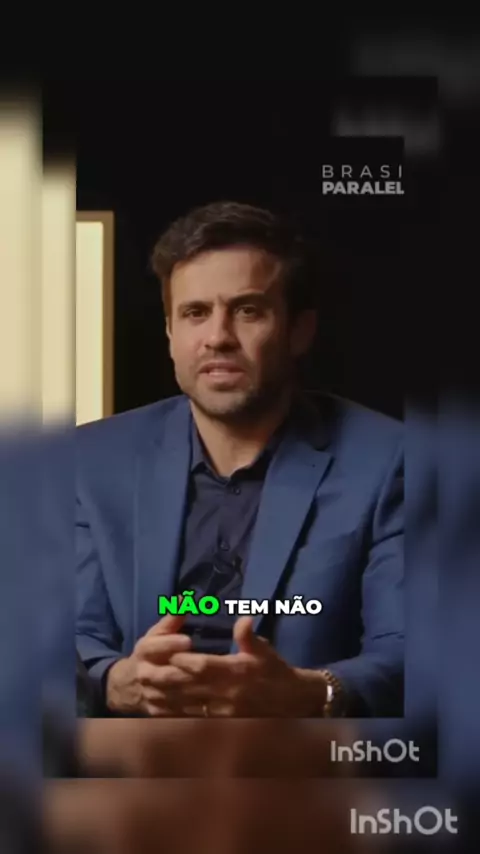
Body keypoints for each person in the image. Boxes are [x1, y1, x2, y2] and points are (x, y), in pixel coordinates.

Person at [76, 201, 403, 718]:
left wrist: (312, 693)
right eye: (195, 313)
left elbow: (410, 650)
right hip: (135, 754)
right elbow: (60, 637)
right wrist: (115, 681)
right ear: (170, 333)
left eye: (248, 311)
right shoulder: (90, 459)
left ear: (299, 330)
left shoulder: (390, 462)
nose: (218, 338)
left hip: (302, 756)